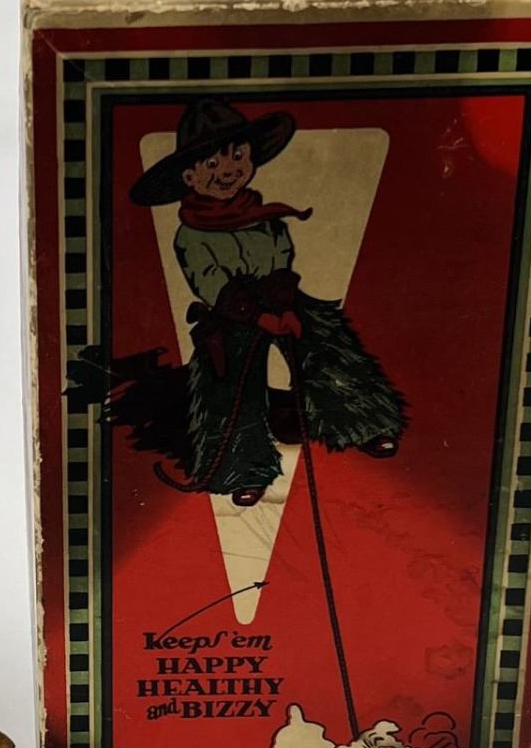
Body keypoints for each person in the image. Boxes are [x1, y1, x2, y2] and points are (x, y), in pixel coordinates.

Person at [74, 97, 405, 503]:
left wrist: (285, 307)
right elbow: (210, 281)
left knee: (326, 337)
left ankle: (365, 423)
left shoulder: (265, 218)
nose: (227, 170)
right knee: (225, 379)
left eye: (236, 156)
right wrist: (256, 316)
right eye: (212, 164)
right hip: (231, 309)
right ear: (189, 176)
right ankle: (242, 469)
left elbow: (282, 259)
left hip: (278, 296)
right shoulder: (191, 234)